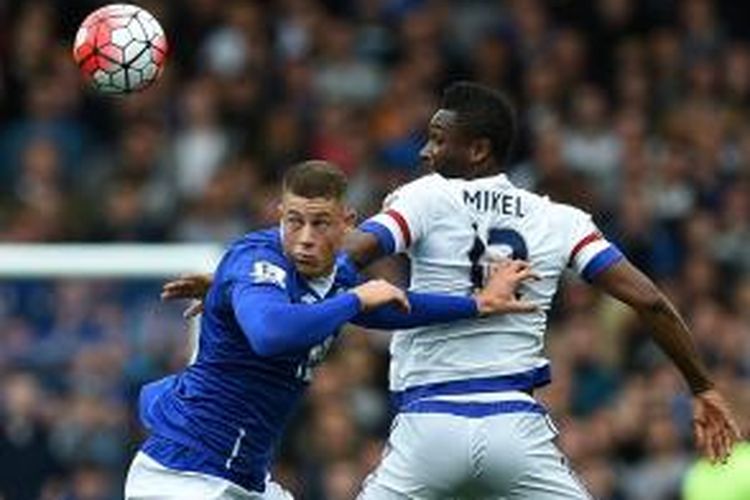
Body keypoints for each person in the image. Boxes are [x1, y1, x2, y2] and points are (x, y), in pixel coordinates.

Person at [167, 83, 741, 499]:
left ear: (479, 149)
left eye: (438, 140)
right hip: (517, 430)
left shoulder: (423, 198)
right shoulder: (560, 220)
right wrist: (702, 386)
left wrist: (242, 282)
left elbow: (342, 256)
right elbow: (649, 300)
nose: (425, 151)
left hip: (427, 429)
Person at [125, 160, 538, 499]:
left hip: (243, 479)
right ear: (279, 216)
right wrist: (356, 299)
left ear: (347, 223)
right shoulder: (256, 261)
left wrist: (479, 304)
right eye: (294, 221)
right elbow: (270, 333)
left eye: (320, 223)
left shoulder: (331, 275)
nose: (305, 238)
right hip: (183, 477)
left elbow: (388, 307)